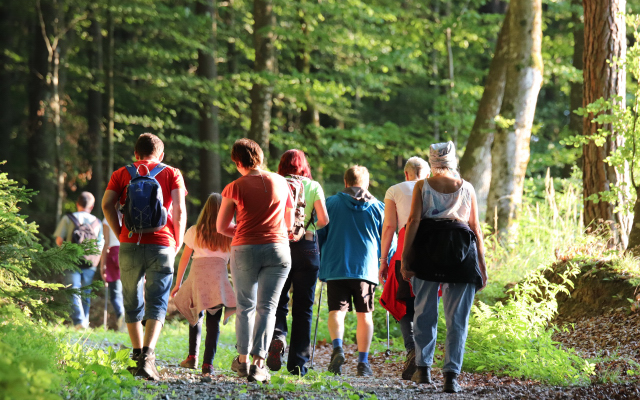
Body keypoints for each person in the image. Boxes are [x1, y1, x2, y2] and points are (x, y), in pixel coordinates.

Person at [400, 142, 487, 393]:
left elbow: (414, 221)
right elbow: (475, 229)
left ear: (432, 162)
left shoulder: (422, 186)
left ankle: (423, 370)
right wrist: (482, 265)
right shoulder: (467, 188)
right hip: (462, 256)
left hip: (427, 254)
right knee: (457, 319)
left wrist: (406, 259)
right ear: (453, 161)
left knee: (424, 313)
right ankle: (451, 377)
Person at [102, 133, 187, 381]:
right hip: (162, 244)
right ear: (160, 155)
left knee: (131, 299)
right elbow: (180, 209)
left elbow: (107, 204)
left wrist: (120, 233)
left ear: (136, 153)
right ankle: (149, 358)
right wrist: (177, 240)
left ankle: (137, 355)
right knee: (157, 300)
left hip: (129, 243)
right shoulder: (172, 173)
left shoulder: (122, 173)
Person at [217, 138, 294, 383]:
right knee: (268, 308)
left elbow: (221, 226)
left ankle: (242, 361)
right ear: (260, 157)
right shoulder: (282, 182)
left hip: (245, 249)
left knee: (245, 306)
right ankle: (259, 365)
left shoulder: (234, 186)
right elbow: (290, 224)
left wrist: (242, 232)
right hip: (279, 249)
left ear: (238, 162)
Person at [317, 165, 386, 377]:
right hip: (365, 269)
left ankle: (337, 348)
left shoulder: (331, 203)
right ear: (366, 183)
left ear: (345, 182)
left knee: (336, 311)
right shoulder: (378, 207)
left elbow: (320, 234)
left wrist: (320, 257)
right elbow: (387, 239)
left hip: (336, 266)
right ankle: (363, 364)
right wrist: (385, 261)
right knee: (365, 315)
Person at [266, 149, 330, 376]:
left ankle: (278, 337)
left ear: (282, 165)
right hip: (307, 248)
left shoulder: (274, 183)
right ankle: (298, 365)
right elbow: (324, 220)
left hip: (279, 246)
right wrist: (308, 226)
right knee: (303, 308)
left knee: (277, 301)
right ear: (304, 165)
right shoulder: (313, 186)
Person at [171, 193, 236, 375]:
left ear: (204, 210)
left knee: (195, 315)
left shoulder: (194, 231)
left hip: (197, 278)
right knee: (213, 322)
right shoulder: (230, 233)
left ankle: (192, 357)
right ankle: (208, 365)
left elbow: (185, 259)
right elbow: (235, 261)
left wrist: (178, 283)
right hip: (218, 280)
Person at [378, 157, 430, 380]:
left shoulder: (394, 190)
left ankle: (412, 350)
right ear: (426, 174)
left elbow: (389, 226)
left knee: (405, 306)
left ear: (406, 174)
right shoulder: (433, 188)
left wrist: (383, 260)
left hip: (403, 255)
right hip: (430, 254)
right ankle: (423, 361)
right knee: (426, 307)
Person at [55, 191, 104, 329]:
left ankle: (79, 322)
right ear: (92, 206)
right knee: (85, 291)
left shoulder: (68, 218)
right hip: (90, 262)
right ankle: (84, 321)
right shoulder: (97, 222)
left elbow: (59, 240)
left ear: (77, 203)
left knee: (73, 289)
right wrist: (97, 260)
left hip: (71, 260)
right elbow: (100, 244)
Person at [100, 213, 126, 332]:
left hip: (114, 253)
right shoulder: (131, 216)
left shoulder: (109, 217)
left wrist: (102, 265)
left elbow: (106, 242)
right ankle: (131, 321)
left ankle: (122, 318)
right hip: (128, 252)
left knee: (115, 293)